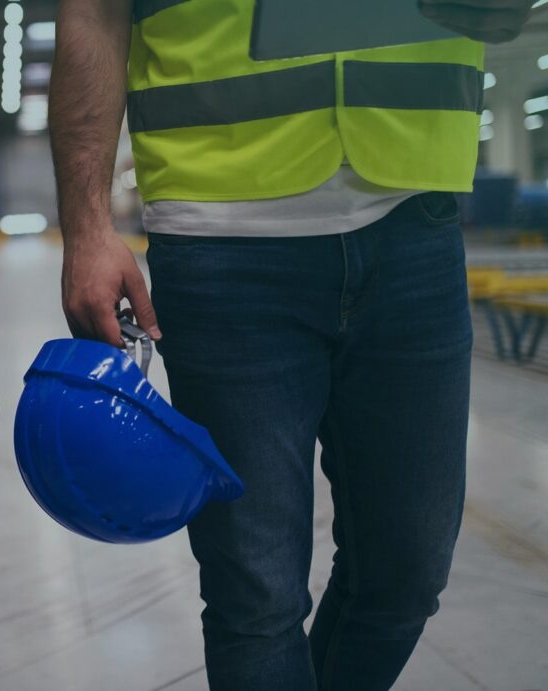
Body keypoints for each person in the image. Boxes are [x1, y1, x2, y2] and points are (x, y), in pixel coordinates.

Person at [50, 1, 534, 689]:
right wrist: (86, 225)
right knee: (257, 598)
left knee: (406, 575)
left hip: (414, 206)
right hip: (219, 223)